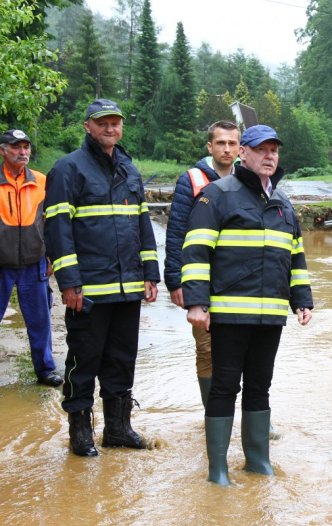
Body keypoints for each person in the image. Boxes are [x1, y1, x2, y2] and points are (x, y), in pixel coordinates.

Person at [181, 124, 313, 486]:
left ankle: (257, 461)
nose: (270, 156)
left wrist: (302, 299)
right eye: (261, 149)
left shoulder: (283, 202)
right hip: (229, 314)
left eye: (274, 150)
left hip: (270, 315)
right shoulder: (216, 195)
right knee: (225, 386)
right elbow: (195, 252)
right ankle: (218, 470)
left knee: (260, 387)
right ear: (244, 154)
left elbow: (296, 257)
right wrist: (196, 302)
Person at [44, 99, 160, 457]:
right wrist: (68, 282)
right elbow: (58, 231)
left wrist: (150, 274)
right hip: (89, 290)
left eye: (116, 123)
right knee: (84, 360)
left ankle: (118, 429)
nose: (110, 129)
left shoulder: (129, 169)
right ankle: (80, 432)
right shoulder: (67, 169)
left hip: (128, 288)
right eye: (102, 123)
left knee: (122, 360)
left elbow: (142, 225)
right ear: (87, 126)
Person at [164, 120, 240, 408]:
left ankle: (243, 413)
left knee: (240, 349)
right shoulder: (192, 180)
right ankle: (214, 413)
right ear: (210, 146)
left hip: (237, 279)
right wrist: (175, 279)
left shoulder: (247, 177)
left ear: (240, 148)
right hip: (201, 279)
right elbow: (176, 231)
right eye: (221, 143)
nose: (227, 148)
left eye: (232, 143)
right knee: (207, 348)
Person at [0, 129, 63, 388]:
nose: (23, 152)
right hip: (1, 264)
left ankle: (45, 370)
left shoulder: (41, 181)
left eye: (26, 147)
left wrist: (51, 256)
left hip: (34, 262)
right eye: (16, 147)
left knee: (40, 320)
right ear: (3, 150)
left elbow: (52, 222)